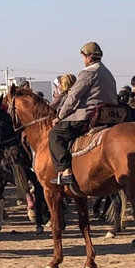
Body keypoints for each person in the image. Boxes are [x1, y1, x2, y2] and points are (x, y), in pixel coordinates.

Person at [48, 42, 117, 187]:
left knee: (55, 134)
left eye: (83, 56)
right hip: (110, 115)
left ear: (89, 58)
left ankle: (66, 172)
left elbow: (73, 96)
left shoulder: (88, 72)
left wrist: (60, 116)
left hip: (88, 115)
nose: (83, 59)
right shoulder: (108, 72)